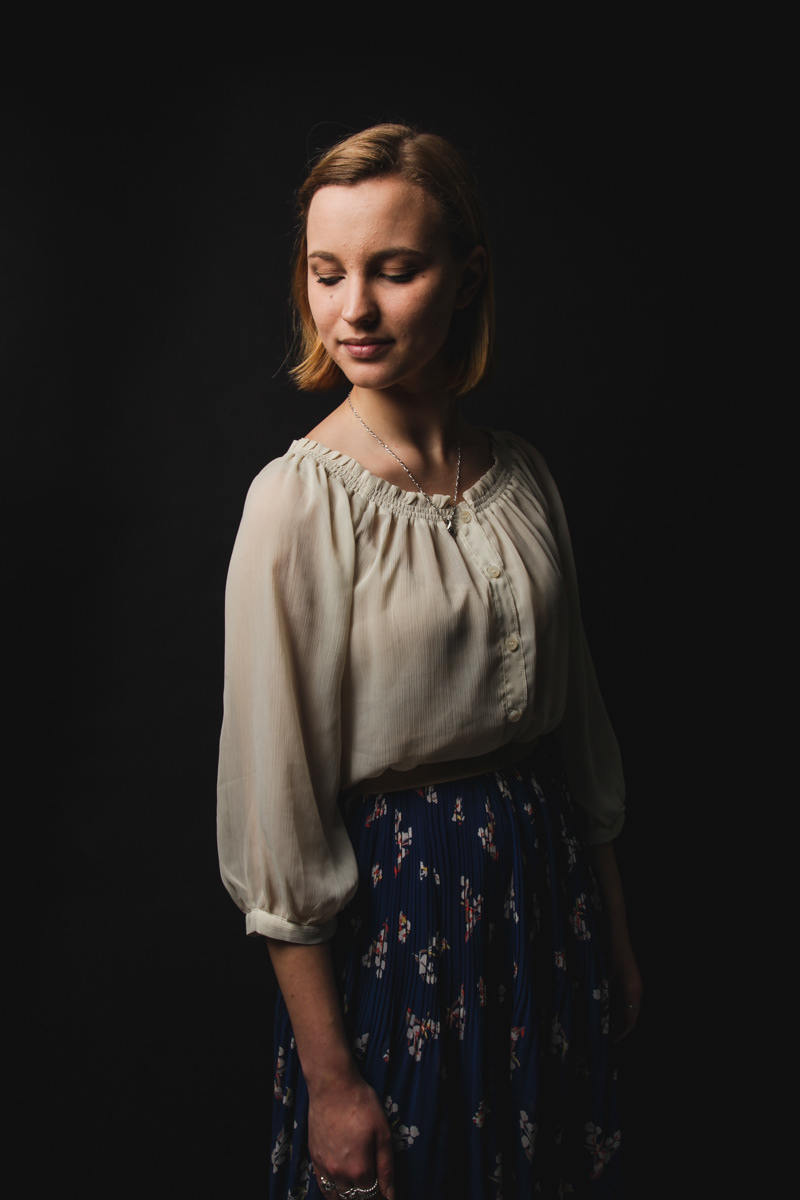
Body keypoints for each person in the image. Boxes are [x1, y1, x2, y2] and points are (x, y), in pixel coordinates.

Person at [217, 123, 642, 1200]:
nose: (352, 309)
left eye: (393, 270)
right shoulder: (297, 502)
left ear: (467, 277)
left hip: (545, 898)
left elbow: (581, 732)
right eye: (327, 273)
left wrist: (612, 938)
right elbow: (276, 812)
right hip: (403, 921)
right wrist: (330, 1080)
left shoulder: (523, 477)